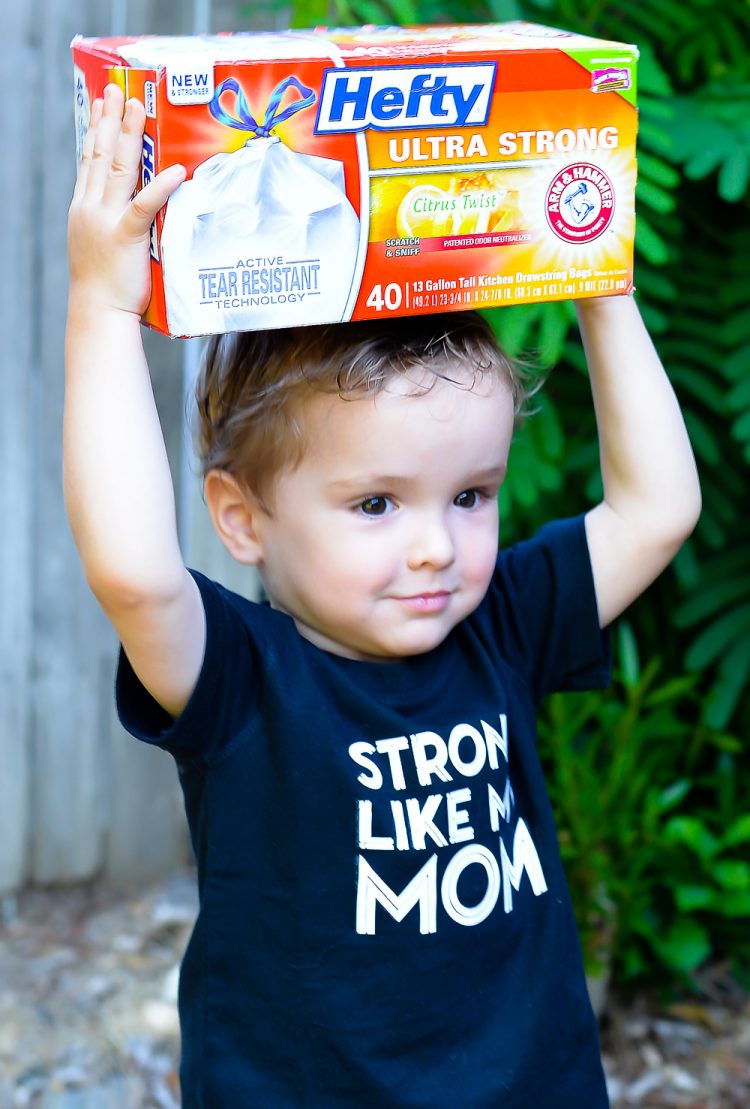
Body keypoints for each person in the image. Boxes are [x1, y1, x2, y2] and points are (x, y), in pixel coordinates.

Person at [65, 85, 701, 1108]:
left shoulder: (501, 626)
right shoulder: (240, 680)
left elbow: (657, 510)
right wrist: (102, 305)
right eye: (374, 504)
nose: (433, 548)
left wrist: (598, 278)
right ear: (241, 519)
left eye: (470, 495)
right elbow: (134, 572)